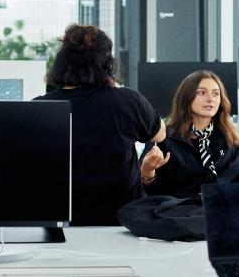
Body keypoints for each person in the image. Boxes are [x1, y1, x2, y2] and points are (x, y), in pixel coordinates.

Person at [33, 23, 166, 226]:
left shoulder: (41, 107)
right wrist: (116, 87)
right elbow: (160, 135)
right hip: (123, 220)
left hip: (61, 221)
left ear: (62, 62)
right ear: (107, 63)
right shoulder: (128, 100)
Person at [140, 70, 239, 199]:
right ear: (186, 98)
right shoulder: (163, 138)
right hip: (181, 213)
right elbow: (155, 196)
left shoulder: (230, 139)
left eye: (215, 94)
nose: (210, 99)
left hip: (223, 210)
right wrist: (147, 174)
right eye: (202, 92)